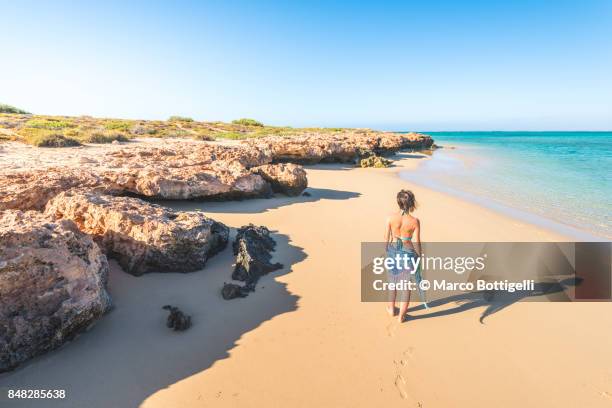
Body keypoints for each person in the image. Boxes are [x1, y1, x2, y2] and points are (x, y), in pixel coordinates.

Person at [384, 189, 421, 323]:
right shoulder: (415, 221)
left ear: (398, 202)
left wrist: (386, 252)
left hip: (393, 251)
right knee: (406, 286)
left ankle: (391, 309)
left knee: (393, 283)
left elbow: (386, 238)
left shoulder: (390, 218)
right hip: (408, 253)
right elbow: (417, 242)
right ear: (411, 203)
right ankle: (401, 316)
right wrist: (419, 257)